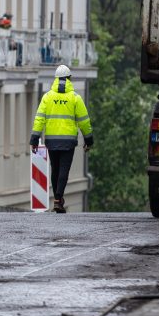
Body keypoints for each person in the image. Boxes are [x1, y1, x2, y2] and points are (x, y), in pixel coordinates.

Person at [29, 65, 93, 213]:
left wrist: (34, 139)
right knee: (64, 169)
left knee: (55, 169)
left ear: (56, 79)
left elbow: (39, 119)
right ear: (69, 79)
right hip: (68, 141)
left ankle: (57, 199)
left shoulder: (47, 97)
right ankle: (58, 199)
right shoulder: (75, 98)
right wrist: (89, 140)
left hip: (52, 140)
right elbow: (84, 121)